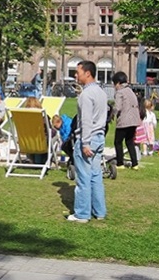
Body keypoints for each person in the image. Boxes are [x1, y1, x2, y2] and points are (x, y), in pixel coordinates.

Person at [67, 60, 107, 223]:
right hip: (99, 138)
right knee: (96, 176)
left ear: (87, 73)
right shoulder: (102, 93)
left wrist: (85, 143)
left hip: (88, 138)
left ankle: (82, 214)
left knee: (83, 177)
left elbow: (86, 121)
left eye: (78, 72)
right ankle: (99, 211)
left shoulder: (86, 95)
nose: (75, 75)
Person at [112, 71, 142, 170]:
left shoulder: (120, 92)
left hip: (124, 121)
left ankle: (120, 163)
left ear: (117, 83)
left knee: (118, 142)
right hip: (134, 120)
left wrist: (111, 115)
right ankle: (135, 163)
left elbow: (117, 107)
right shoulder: (130, 90)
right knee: (129, 142)